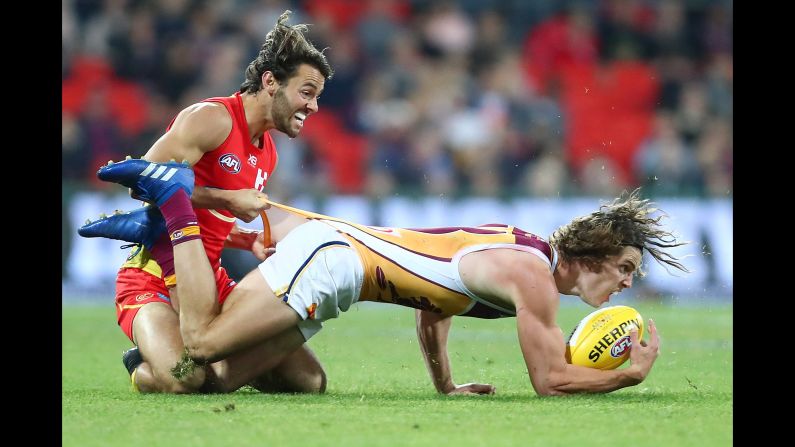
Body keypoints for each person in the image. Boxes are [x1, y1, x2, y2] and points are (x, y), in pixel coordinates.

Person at [81, 159, 689, 396]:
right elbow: (550, 381)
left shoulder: (519, 250)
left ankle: (148, 364)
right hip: (333, 261)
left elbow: (434, 307)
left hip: (339, 271)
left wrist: (444, 388)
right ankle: (174, 212)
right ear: (594, 254)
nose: (629, 282)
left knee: (216, 384)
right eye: (626, 267)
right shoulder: (531, 276)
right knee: (201, 353)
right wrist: (629, 374)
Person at [97, 10, 334, 394]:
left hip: (209, 283)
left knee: (308, 381)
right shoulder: (212, 118)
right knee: (184, 380)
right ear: (270, 82)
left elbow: (207, 221)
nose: (314, 107)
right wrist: (226, 197)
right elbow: (141, 182)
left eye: (317, 97)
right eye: (307, 93)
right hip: (153, 278)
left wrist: (241, 238)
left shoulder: (267, 151)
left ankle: (213, 368)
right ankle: (144, 365)